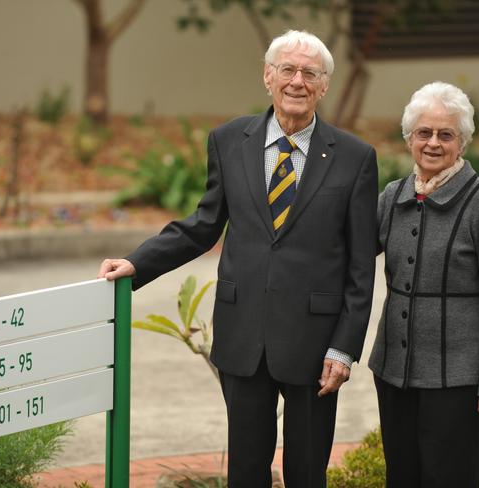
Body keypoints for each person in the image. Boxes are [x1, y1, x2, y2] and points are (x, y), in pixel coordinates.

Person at [99, 30, 378, 487]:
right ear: (268, 76)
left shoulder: (355, 158)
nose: (297, 81)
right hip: (243, 332)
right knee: (246, 472)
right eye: (287, 69)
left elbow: (360, 267)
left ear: (324, 85)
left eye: (310, 73)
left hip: (316, 341)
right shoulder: (229, 140)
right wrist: (138, 263)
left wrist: (344, 347)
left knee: (308, 472)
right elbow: (204, 224)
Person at [369, 81, 479, 488]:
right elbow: (348, 256)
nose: (433, 143)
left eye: (446, 134)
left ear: (463, 142)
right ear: (409, 139)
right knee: (402, 477)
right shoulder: (392, 196)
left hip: (460, 380)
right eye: (424, 133)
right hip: (393, 372)